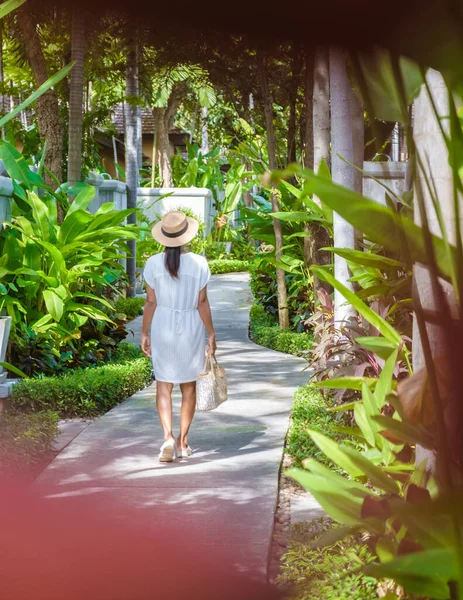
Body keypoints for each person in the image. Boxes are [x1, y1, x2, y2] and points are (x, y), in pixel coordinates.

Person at [141, 210, 216, 463]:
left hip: (162, 325)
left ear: (163, 237)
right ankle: (183, 443)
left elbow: (150, 302)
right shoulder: (199, 263)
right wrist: (211, 333)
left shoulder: (152, 264)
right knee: (188, 386)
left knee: (163, 384)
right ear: (186, 236)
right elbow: (202, 302)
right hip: (191, 326)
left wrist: (144, 332)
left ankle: (167, 438)